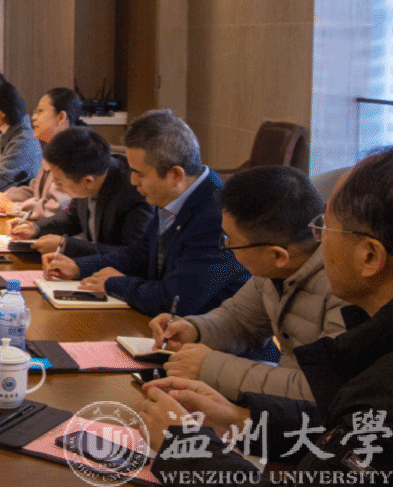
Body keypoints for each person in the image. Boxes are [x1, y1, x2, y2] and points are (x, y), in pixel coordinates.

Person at [142, 151, 393, 479]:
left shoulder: (381, 387)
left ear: (370, 256)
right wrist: (242, 419)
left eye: (326, 226)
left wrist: (185, 448)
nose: (318, 238)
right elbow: (334, 426)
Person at [147, 165, 346, 401]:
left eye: (232, 241)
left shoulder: (345, 289)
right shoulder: (273, 270)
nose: (227, 247)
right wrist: (194, 329)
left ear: (278, 255)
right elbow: (240, 320)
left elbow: (317, 390)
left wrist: (209, 366)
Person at [41, 109, 249, 316]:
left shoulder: (218, 216)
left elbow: (175, 300)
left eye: (140, 174)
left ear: (175, 175)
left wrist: (115, 283)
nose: (133, 181)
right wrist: (78, 267)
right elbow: (139, 254)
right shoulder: (173, 194)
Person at [8, 125, 151, 257]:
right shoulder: (87, 170)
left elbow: (133, 255)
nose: (55, 185)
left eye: (58, 181)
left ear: (87, 181)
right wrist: (35, 228)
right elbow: (72, 218)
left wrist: (65, 246)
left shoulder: (135, 192)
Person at [0, 87, 80, 219]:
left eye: (40, 111)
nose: (34, 117)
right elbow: (36, 191)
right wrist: (6, 196)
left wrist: (12, 207)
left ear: (61, 117)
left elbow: (57, 209)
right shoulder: (53, 148)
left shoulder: (75, 154)